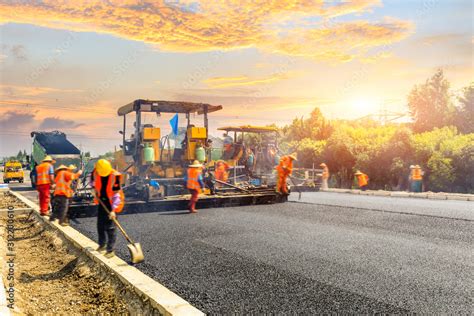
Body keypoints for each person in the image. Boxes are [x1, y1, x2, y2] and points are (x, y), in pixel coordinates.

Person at [91, 159, 124, 258]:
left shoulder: (115, 176)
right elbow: (93, 182)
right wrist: (93, 190)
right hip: (102, 201)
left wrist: (113, 210)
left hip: (113, 202)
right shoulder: (96, 172)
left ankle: (110, 250)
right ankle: (102, 245)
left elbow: (116, 195)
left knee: (110, 227)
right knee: (100, 225)